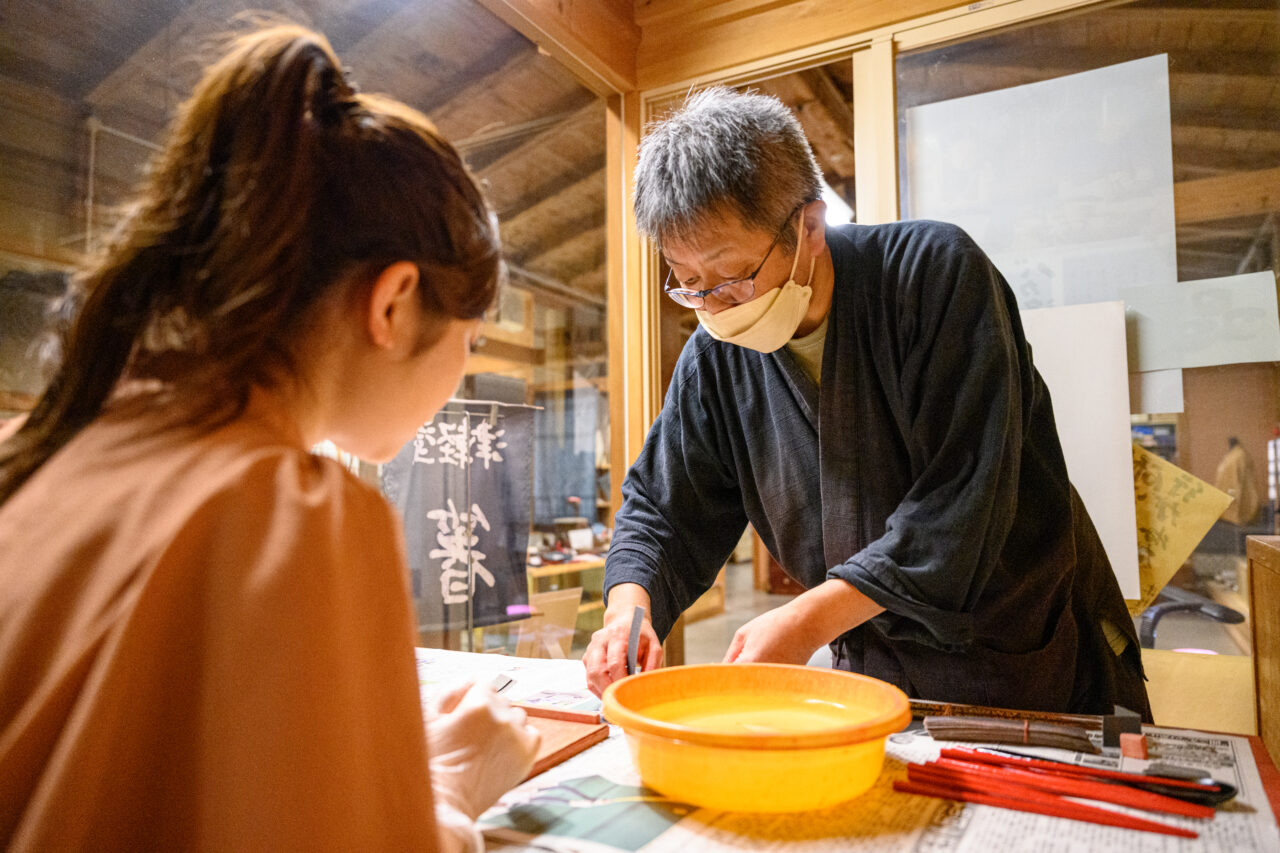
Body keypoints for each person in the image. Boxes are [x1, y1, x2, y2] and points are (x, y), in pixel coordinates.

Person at [0, 24, 538, 851]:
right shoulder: (285, 516)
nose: (461, 378)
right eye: (468, 343)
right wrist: (454, 781)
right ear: (393, 304)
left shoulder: (42, 453)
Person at [583, 87, 1150, 719]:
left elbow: (960, 502)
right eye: (688, 283)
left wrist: (807, 618)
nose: (714, 305)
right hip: (871, 676)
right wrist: (627, 613)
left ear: (810, 227)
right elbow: (663, 508)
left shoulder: (935, 276)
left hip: (1021, 658)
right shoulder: (716, 359)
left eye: (732, 273)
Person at [1215, 436, 1260, 527]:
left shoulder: (1240, 455)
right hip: (1230, 488)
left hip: (1237, 488)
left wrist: (1235, 489)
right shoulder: (1231, 456)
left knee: (1238, 511)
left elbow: (1241, 475)